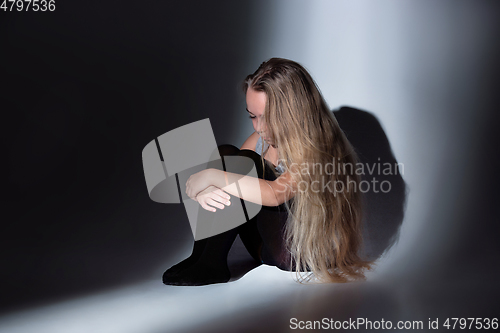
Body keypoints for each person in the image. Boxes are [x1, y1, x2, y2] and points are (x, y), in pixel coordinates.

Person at [162, 58, 372, 286]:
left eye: (269, 117)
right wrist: (203, 191)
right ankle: (201, 258)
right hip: (264, 246)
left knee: (242, 164)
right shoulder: (262, 139)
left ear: (295, 112)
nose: (259, 127)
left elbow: (275, 194)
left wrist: (210, 177)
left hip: (299, 254)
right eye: (253, 116)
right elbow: (233, 175)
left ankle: (211, 265)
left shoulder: (318, 146)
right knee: (228, 154)